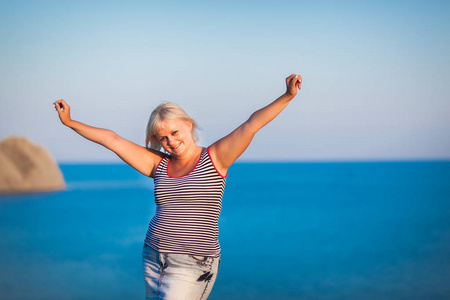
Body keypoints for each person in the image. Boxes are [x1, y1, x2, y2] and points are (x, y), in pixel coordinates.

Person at [53, 73, 302, 300]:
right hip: (153, 257)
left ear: (188, 125)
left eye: (174, 132)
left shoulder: (215, 158)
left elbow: (251, 125)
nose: (170, 141)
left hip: (194, 264)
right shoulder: (158, 164)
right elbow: (112, 139)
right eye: (163, 137)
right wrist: (70, 122)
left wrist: (287, 96)